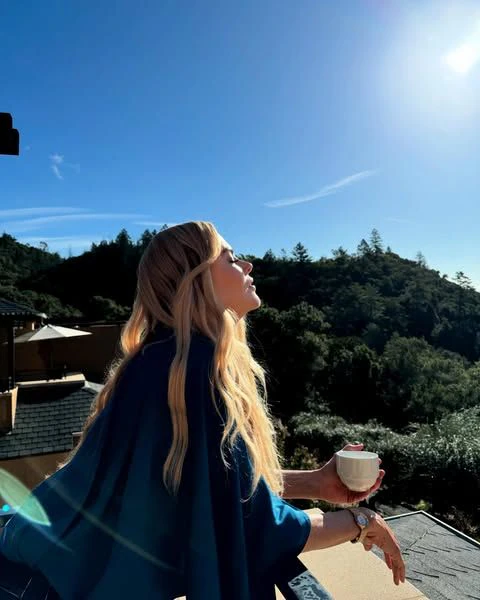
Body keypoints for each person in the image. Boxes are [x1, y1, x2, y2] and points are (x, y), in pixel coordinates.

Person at [0, 221, 405, 599]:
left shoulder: (157, 362)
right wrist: (361, 522)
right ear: (195, 280)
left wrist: (315, 483)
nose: (247, 265)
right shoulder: (195, 374)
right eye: (230, 258)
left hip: (42, 564)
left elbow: (205, 489)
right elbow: (255, 529)